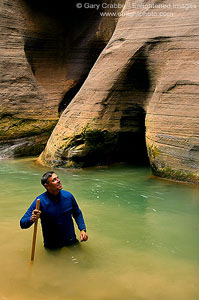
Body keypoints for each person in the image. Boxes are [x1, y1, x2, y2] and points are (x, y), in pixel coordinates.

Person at [20, 171, 88, 248]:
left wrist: (82, 229)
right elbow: (22, 223)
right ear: (47, 186)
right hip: (52, 245)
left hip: (71, 240)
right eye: (54, 180)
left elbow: (77, 213)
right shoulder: (40, 201)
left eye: (57, 178)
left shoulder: (68, 196)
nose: (58, 180)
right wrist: (32, 219)